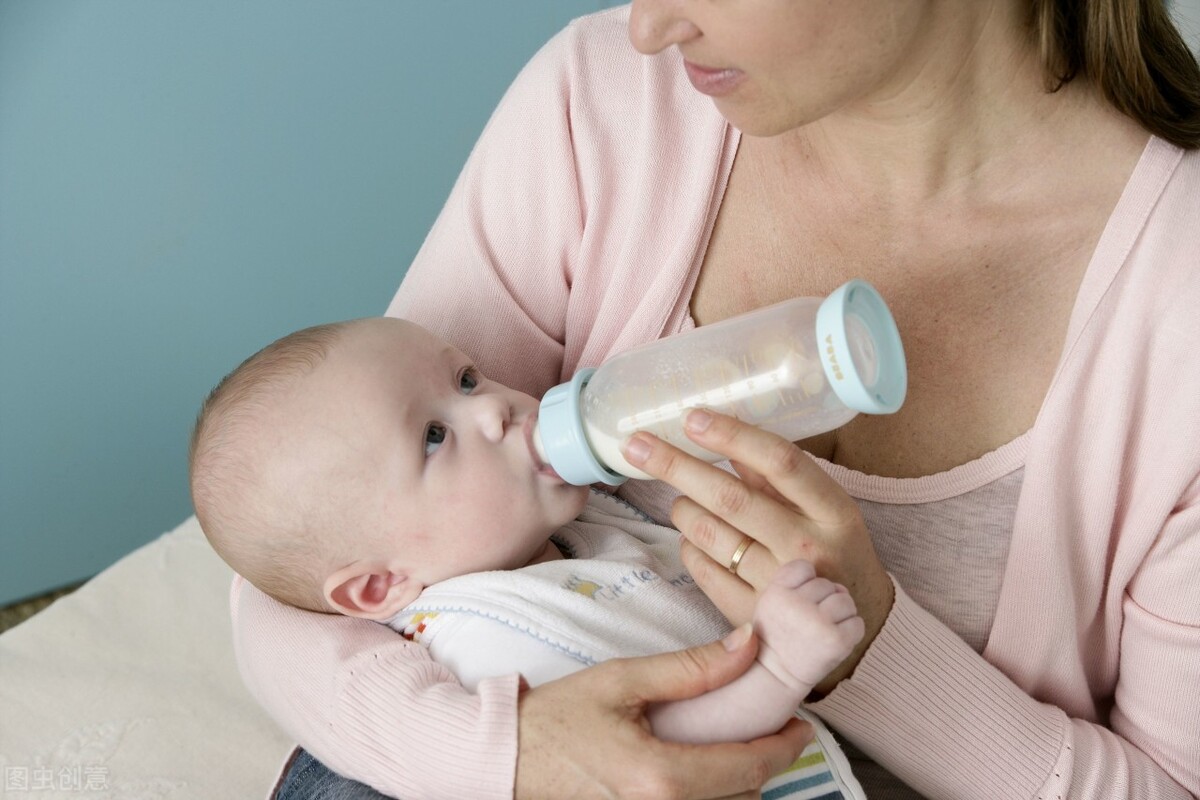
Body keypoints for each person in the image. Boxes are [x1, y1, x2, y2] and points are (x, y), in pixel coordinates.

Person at [226, 2, 1200, 798]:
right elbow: (300, 554)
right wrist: (499, 754)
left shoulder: (1178, 304)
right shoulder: (605, 104)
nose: (650, 27)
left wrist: (868, 648)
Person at [189, 316, 866, 790]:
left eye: (465, 379)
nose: (494, 411)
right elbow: (654, 748)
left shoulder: (571, 534)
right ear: (379, 587)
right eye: (432, 437)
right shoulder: (485, 641)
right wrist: (779, 667)